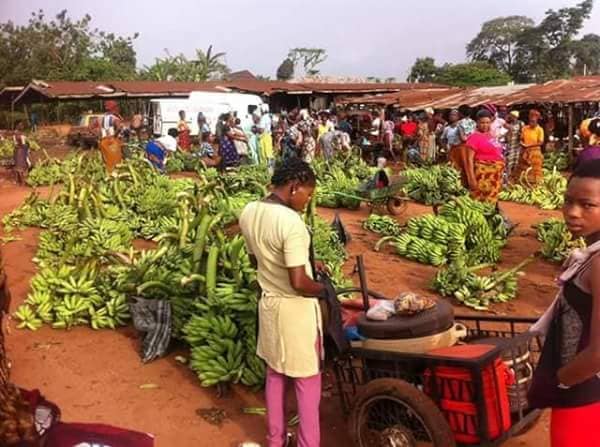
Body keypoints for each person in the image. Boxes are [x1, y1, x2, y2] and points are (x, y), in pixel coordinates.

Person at [239, 158, 327, 447]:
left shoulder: (250, 211)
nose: (308, 200)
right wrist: (326, 290)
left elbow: (256, 260)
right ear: (294, 187)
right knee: (306, 382)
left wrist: (308, 263)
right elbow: (300, 283)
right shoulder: (292, 223)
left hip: (269, 306)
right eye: (307, 194)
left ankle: (275, 440)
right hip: (295, 312)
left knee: (275, 374)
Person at [528, 159, 600, 447]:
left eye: (587, 205)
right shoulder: (591, 255)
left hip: (584, 397)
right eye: (568, 201)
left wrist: (559, 382)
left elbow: (597, 354)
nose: (572, 212)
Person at [463, 109, 505, 203]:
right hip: (483, 176)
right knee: (480, 201)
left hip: (495, 176)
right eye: (482, 122)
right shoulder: (473, 137)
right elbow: (468, 160)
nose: (485, 125)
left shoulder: (491, 135)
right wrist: (471, 178)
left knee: (491, 202)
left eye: (487, 122)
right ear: (477, 123)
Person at [516, 109, 545, 184]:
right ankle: (523, 183)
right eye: (531, 121)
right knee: (524, 169)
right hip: (525, 151)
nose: (532, 123)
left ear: (537, 121)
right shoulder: (525, 128)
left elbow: (540, 142)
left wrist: (528, 145)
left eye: (534, 122)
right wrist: (522, 143)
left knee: (535, 170)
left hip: (535, 152)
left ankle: (536, 183)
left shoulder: (539, 129)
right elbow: (521, 139)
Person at [96, 100, 123, 173]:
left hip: (103, 141)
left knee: (105, 159)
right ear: (114, 108)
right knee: (115, 160)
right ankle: (115, 174)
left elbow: (89, 128)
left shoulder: (99, 118)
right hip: (113, 141)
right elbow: (119, 128)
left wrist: (98, 135)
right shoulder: (114, 118)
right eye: (117, 107)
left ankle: (107, 173)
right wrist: (114, 136)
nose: (118, 109)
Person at [504, 111, 524, 179]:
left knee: (516, 162)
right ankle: (508, 178)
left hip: (517, 145)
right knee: (509, 162)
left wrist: (520, 135)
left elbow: (522, 134)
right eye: (511, 116)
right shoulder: (508, 124)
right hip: (510, 146)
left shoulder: (521, 123)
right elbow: (505, 135)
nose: (512, 117)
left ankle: (514, 178)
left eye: (513, 116)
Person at [12, 121, 30, 185]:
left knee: (18, 165)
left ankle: (17, 180)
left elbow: (16, 143)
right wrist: (27, 146)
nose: (22, 126)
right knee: (21, 166)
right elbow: (22, 144)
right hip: (20, 151)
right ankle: (22, 181)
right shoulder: (19, 134)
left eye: (22, 125)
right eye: (20, 125)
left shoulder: (17, 133)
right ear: (17, 126)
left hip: (18, 150)